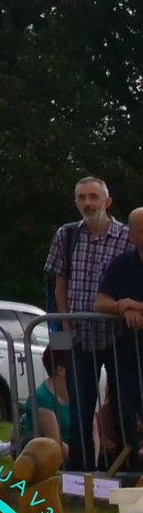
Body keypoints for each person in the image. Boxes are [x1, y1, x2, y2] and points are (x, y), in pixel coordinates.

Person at [46, 176, 133, 475]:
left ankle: (123, 475)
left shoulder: (126, 236)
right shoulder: (66, 235)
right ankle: (79, 481)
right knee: (80, 413)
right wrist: (66, 326)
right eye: (82, 197)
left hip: (120, 336)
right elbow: (60, 285)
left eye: (93, 197)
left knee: (124, 409)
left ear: (107, 202)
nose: (87, 203)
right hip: (79, 338)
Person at [89, 207, 143, 483]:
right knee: (124, 415)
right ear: (131, 234)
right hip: (128, 355)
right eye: (141, 230)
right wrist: (123, 306)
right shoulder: (122, 264)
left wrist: (138, 306)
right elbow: (100, 302)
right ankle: (131, 477)